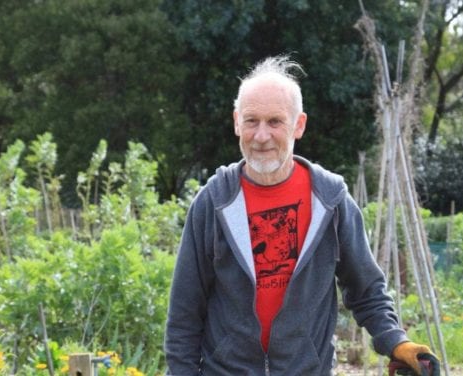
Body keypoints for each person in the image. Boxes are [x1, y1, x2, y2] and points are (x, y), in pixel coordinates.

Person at [164, 55, 434, 375]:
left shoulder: (330, 202)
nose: (261, 135)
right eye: (252, 121)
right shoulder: (214, 202)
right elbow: (184, 314)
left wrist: (395, 342)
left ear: (299, 125)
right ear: (237, 122)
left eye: (275, 121)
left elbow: (366, 291)